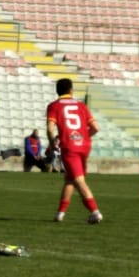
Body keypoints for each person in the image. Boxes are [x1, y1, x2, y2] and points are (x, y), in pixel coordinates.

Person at [46, 79, 102, 223]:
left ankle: (95, 212)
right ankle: (60, 213)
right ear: (71, 90)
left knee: (78, 180)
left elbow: (49, 128)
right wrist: (82, 137)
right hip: (84, 146)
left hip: (69, 146)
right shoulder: (81, 105)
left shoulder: (54, 106)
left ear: (57, 91)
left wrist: (52, 144)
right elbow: (96, 128)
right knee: (70, 179)